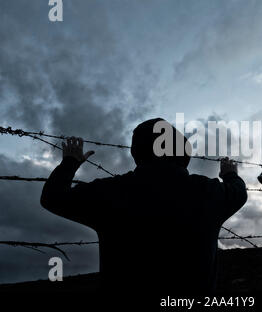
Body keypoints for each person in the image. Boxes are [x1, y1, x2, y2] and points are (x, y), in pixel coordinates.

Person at [40, 118, 248, 294]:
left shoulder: (109, 192)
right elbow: (238, 192)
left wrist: (70, 162)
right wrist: (229, 173)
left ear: (137, 152)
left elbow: (53, 197)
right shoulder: (210, 192)